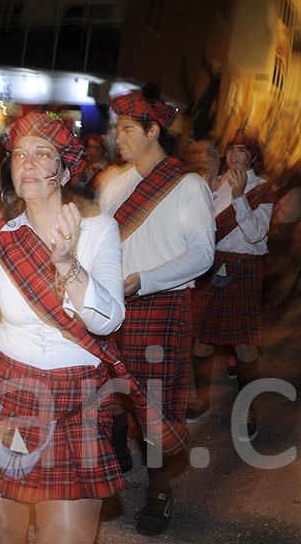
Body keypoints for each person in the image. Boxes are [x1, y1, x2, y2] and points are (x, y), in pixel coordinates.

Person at [0, 110, 133, 543]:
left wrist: (66, 264)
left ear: (64, 169)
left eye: (42, 154)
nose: (25, 162)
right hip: (3, 388)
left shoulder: (97, 230)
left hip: (75, 396)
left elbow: (108, 319)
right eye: (19, 154)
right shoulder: (1, 236)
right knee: (0, 536)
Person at [97, 85, 215, 536]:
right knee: (111, 391)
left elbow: (202, 255)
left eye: (127, 128)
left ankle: (159, 492)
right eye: (117, 128)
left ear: (153, 129)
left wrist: (142, 279)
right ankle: (118, 454)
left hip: (160, 305)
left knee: (158, 406)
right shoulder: (114, 181)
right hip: (114, 304)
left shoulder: (188, 185)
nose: (118, 137)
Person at [190, 130, 275, 441]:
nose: (236, 156)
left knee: (244, 345)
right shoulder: (217, 181)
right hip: (212, 265)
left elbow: (255, 234)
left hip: (244, 267)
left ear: (253, 157)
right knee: (200, 338)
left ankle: (248, 408)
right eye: (232, 150)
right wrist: (207, 189)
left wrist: (239, 198)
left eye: (243, 152)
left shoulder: (262, 189)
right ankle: (201, 398)